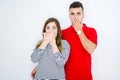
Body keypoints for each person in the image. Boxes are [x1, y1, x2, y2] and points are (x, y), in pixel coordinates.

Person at [31, 1, 97, 80]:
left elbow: (90, 49)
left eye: (78, 13)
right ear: (69, 16)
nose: (75, 17)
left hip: (85, 77)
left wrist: (79, 31)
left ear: (83, 15)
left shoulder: (91, 31)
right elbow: (53, 53)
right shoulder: (62, 33)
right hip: (67, 77)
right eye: (72, 14)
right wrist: (39, 67)